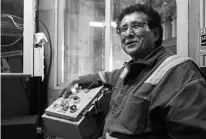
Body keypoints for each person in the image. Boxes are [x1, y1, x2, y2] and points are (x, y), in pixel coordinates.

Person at [61, 3, 206, 139]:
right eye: (123, 29)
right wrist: (77, 80)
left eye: (136, 26)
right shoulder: (128, 70)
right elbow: (104, 76)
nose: (128, 34)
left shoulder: (181, 73)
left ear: (155, 34)